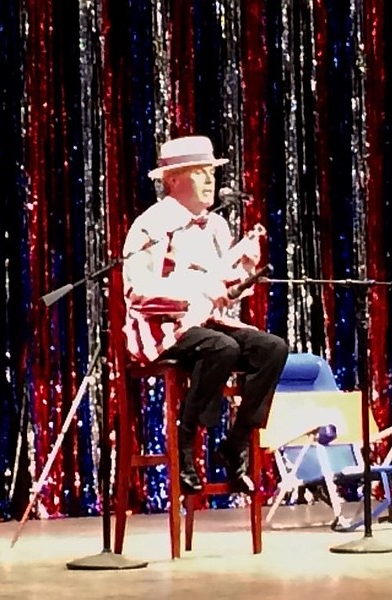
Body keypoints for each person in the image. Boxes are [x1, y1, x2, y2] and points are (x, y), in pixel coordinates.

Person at [121, 135, 289, 494]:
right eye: (200, 172)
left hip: (208, 325)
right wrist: (190, 296)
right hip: (161, 329)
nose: (211, 180)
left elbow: (219, 295)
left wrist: (241, 274)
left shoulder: (215, 227)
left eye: (211, 172)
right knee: (222, 348)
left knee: (271, 348)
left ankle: (235, 443)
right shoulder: (153, 225)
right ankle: (184, 447)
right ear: (173, 180)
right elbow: (136, 291)